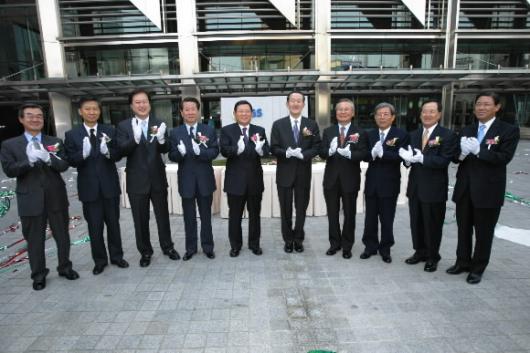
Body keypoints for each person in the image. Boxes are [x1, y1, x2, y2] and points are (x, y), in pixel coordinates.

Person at [0, 103, 79, 290]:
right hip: (30, 199)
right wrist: (29, 161)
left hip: (56, 196)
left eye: (39, 116)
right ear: (21, 119)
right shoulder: (10, 145)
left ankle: (65, 267)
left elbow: (64, 165)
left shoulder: (55, 141)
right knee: (34, 239)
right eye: (30, 115)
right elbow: (10, 170)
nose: (35, 119)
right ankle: (38, 275)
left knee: (62, 236)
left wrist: (47, 158)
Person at [449, 92, 520, 284]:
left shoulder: (508, 130)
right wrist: (462, 153)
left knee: (483, 232)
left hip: (488, 191)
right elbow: (455, 157)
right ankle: (462, 262)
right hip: (465, 189)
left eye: (486, 104)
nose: (481, 108)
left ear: (497, 107)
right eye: (478, 104)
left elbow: (504, 158)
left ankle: (477, 268)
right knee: (463, 229)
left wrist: (480, 151)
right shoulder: (467, 130)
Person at [64, 97, 129, 275]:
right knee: (95, 227)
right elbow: (69, 160)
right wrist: (82, 155)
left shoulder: (109, 130)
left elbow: (118, 154)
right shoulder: (72, 135)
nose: (92, 112)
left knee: (113, 225)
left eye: (95, 109)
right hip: (89, 189)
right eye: (88, 109)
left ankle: (117, 256)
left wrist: (108, 152)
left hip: (109, 187)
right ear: (80, 111)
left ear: (100, 111)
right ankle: (99, 261)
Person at [116, 89, 180, 267]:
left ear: (149, 104)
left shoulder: (159, 123)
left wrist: (161, 140)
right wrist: (134, 139)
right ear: (131, 106)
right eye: (137, 102)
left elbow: (166, 148)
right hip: (136, 181)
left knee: (162, 217)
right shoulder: (123, 126)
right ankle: (145, 252)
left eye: (144, 101)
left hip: (157, 178)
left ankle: (168, 247)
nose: (142, 105)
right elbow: (121, 150)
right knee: (140, 219)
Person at [399, 100, 457, 272]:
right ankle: (419, 252)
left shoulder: (447, 135)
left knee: (432, 224)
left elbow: (444, 160)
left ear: (439, 114)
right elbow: (409, 158)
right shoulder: (414, 134)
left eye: (432, 111)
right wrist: (407, 161)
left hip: (434, 189)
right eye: (425, 111)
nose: (427, 115)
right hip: (415, 187)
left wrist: (423, 159)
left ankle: (433, 256)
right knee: (416, 223)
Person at [168, 97, 219, 261]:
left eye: (193, 109)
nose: (190, 112)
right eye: (186, 109)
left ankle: (208, 247)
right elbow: (171, 155)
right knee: (188, 218)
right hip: (186, 181)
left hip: (205, 180)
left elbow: (214, 152)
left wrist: (200, 152)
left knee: (206, 217)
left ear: (198, 111)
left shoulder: (208, 130)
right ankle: (190, 248)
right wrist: (180, 153)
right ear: (182, 112)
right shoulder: (175, 133)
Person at [270, 91, 321, 253]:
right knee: (285, 209)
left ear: (303, 104)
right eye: (293, 101)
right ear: (287, 104)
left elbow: (317, 146)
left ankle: (298, 239)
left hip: (303, 173)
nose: (296, 104)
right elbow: (273, 147)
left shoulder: (311, 124)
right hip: (284, 173)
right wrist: (285, 153)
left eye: (299, 101)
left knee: (301, 208)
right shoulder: (278, 124)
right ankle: (288, 239)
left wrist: (303, 155)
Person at [319, 99, 369, 259]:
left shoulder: (360, 132)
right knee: (332, 214)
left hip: (350, 179)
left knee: (349, 214)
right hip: (331, 180)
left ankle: (347, 246)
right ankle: (334, 243)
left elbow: (364, 153)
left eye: (347, 109)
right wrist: (330, 151)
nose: (343, 112)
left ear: (353, 113)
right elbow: (322, 152)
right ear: (336, 112)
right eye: (340, 109)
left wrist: (351, 155)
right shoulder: (328, 131)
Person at [220, 100, 270, 257]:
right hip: (235, 182)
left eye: (247, 111)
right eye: (240, 111)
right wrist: (237, 149)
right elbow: (224, 150)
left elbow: (267, 151)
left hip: (254, 180)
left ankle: (254, 244)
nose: (244, 114)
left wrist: (261, 149)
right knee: (234, 216)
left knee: (255, 215)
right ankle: (235, 245)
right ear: (234, 114)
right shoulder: (227, 130)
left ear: (252, 113)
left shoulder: (259, 129)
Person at [361, 102, 409, 263]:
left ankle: (386, 248)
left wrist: (384, 154)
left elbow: (402, 157)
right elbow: (364, 155)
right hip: (372, 182)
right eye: (378, 114)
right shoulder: (369, 134)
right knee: (370, 218)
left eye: (385, 114)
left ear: (393, 117)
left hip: (390, 183)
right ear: (374, 117)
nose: (382, 117)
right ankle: (370, 246)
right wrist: (372, 154)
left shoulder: (401, 134)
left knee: (387, 218)